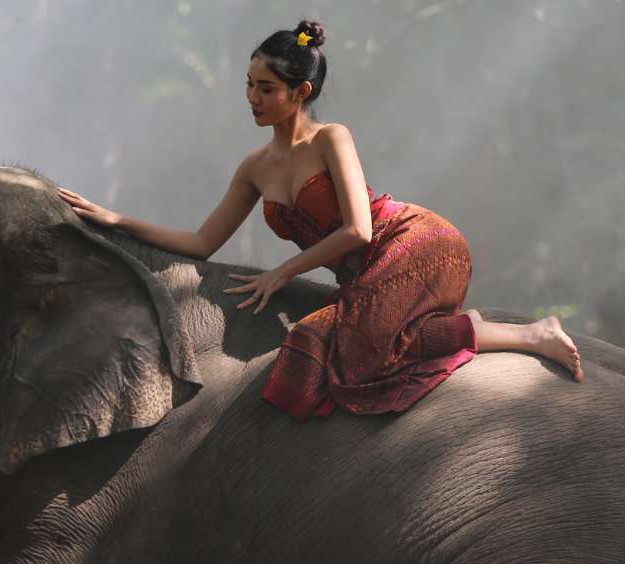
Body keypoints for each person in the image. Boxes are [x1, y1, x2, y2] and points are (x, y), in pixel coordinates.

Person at [58, 19, 583, 420]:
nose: (253, 98)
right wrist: (116, 219)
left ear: (300, 92)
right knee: (310, 353)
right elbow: (200, 242)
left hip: (417, 241)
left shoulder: (332, 137)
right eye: (249, 85)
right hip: (367, 275)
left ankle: (532, 335)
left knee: (363, 354)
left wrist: (282, 273)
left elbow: (358, 230)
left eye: (266, 88)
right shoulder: (254, 168)